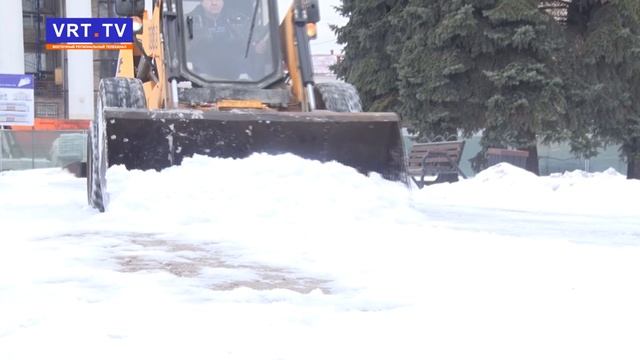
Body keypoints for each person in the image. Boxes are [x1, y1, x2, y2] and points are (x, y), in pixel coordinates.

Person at [186, 0, 271, 81]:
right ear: (201, 2)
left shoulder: (240, 20)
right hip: (201, 77)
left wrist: (258, 47)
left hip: (238, 77)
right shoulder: (187, 22)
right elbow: (183, 50)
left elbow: (253, 40)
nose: (214, 3)